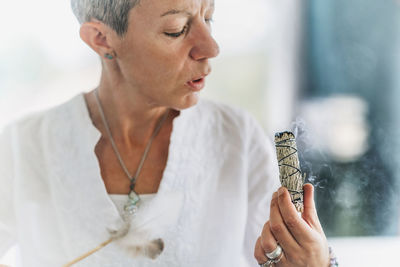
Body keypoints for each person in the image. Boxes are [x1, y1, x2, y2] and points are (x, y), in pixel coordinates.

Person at [0, 0, 335, 266]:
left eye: (209, 18)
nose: (210, 46)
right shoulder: (22, 147)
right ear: (102, 39)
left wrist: (316, 264)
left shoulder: (236, 139)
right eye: (177, 29)